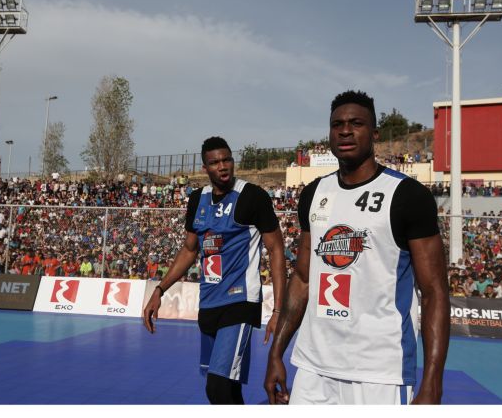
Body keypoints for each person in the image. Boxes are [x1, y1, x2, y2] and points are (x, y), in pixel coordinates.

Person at [264, 90, 450, 405]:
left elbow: (434, 292)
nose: (345, 131)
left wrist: (433, 381)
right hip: (313, 367)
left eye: (356, 123)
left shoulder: (407, 196)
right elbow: (304, 279)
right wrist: (276, 353)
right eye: (337, 124)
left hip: (379, 372)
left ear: (375, 134)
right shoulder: (314, 193)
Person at [143, 136, 286, 404]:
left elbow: (277, 250)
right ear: (205, 168)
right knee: (228, 390)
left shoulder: (252, 196)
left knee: (216, 387)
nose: (223, 166)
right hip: (209, 304)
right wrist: (160, 290)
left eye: (227, 160)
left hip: (240, 302)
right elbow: (189, 250)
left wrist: (279, 311)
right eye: (215, 162)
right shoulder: (197, 199)